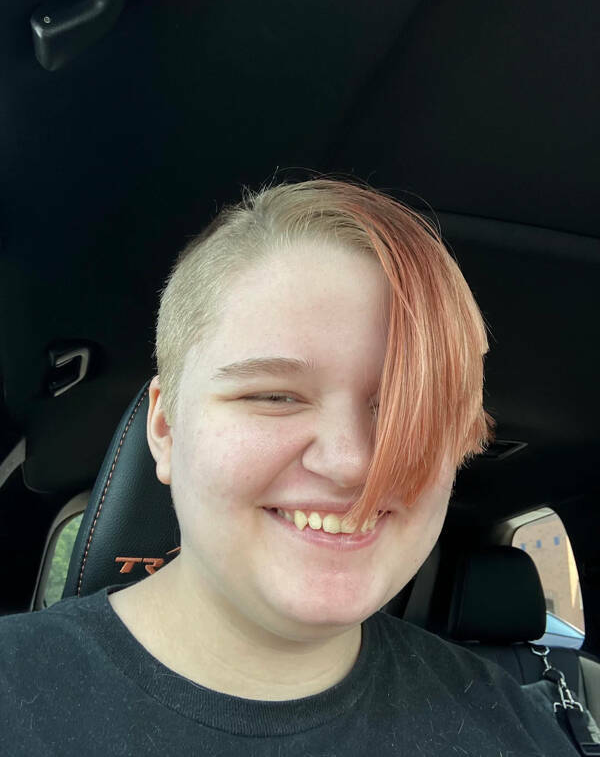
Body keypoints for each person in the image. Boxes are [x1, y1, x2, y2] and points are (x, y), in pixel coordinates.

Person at [0, 177, 580, 755]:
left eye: (407, 407)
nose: (351, 463)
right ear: (165, 429)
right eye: (274, 396)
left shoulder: (515, 728)